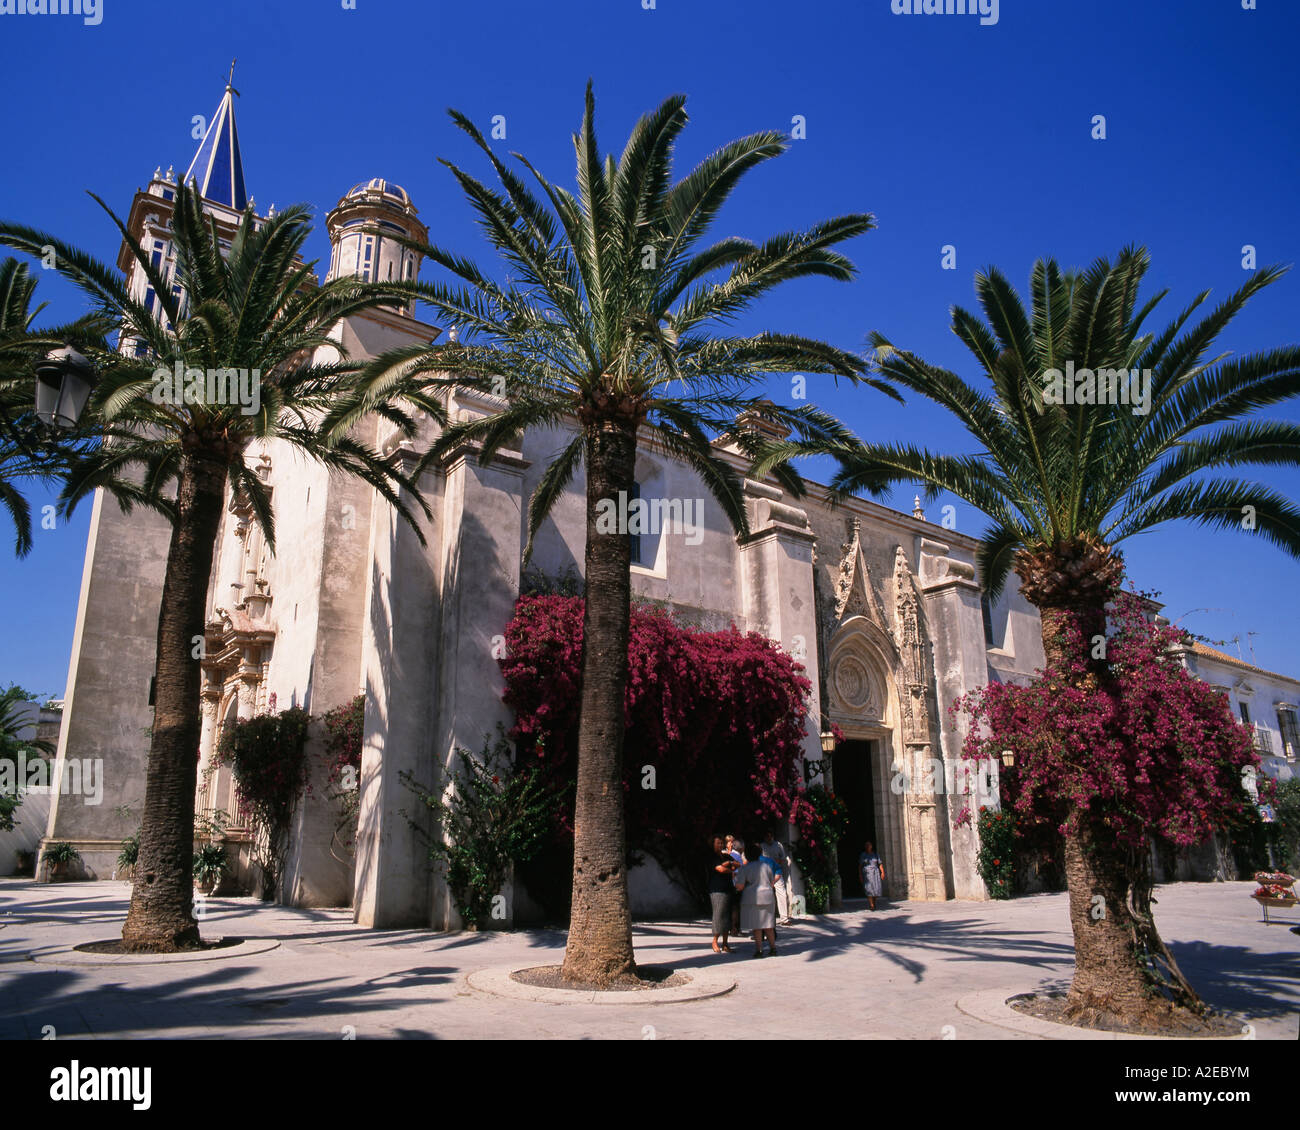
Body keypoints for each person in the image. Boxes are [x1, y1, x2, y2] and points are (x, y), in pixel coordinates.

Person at [734, 835, 778, 956]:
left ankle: (759, 949)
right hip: (768, 897)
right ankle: (773, 948)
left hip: (752, 898)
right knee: (769, 925)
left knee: (756, 926)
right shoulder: (767, 866)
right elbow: (771, 881)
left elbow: (740, 886)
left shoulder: (745, 869)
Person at [708, 834, 737, 953]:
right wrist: (729, 868)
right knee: (718, 915)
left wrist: (729, 865)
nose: (720, 845)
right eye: (718, 843)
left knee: (727, 917)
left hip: (728, 888)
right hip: (717, 889)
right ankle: (715, 940)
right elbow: (719, 869)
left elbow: (737, 863)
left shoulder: (725, 855)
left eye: (721, 843)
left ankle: (725, 943)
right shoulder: (711, 857)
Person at [761, 828, 792, 924]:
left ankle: (784, 919)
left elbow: (783, 858)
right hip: (765, 873)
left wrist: (780, 861)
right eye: (767, 836)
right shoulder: (762, 846)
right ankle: (765, 919)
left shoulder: (778, 845)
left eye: (771, 836)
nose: (769, 838)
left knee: (782, 894)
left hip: (777, 872)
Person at [726, 834, 744, 933]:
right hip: (735, 884)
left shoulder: (727, 855)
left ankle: (732, 927)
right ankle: (734, 928)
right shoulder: (736, 856)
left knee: (732, 907)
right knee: (735, 907)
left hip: (730, 884)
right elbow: (737, 871)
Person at [859, 840, 885, 910]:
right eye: (866, 845)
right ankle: (871, 904)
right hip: (867, 873)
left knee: (876, 889)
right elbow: (860, 866)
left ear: (871, 846)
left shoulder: (876, 855)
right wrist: (860, 875)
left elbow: (880, 864)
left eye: (869, 845)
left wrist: (882, 872)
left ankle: (874, 901)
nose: (868, 847)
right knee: (869, 888)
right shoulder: (863, 855)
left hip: (875, 872)